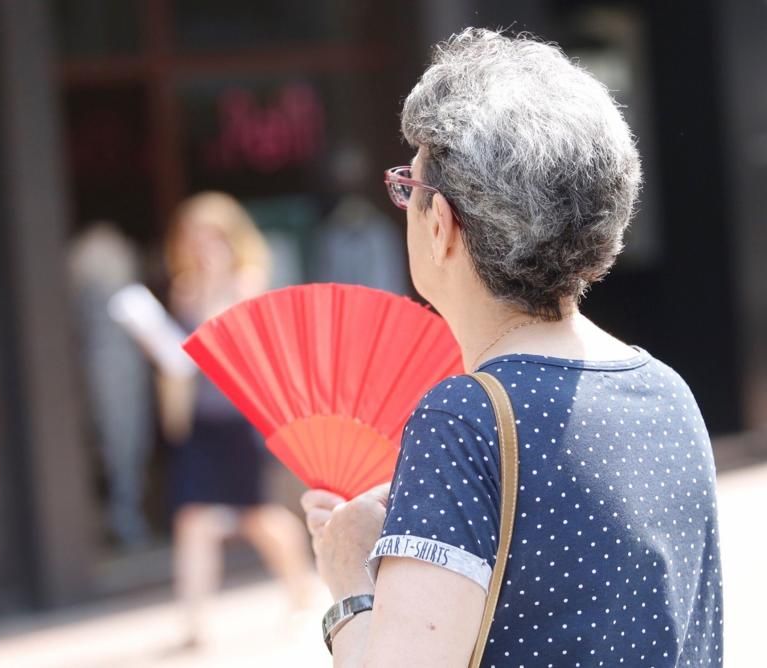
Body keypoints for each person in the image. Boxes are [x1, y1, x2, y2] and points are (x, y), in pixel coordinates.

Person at [302, 29, 723, 666]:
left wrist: (347, 581)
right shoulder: (667, 391)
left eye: (406, 188)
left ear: (441, 222)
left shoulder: (462, 420)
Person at [161, 192, 313, 647]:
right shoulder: (182, 288)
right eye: (195, 238)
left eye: (213, 238)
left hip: (243, 418)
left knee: (259, 516)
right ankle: (194, 624)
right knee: (193, 518)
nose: (203, 248)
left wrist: (211, 290)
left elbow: (224, 340)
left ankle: (302, 590)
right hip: (203, 420)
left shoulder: (247, 281)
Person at [68, 222, 154, 548]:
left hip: (118, 368)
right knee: (117, 445)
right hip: (105, 371)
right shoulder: (88, 270)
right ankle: (121, 515)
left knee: (126, 445)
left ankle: (124, 513)